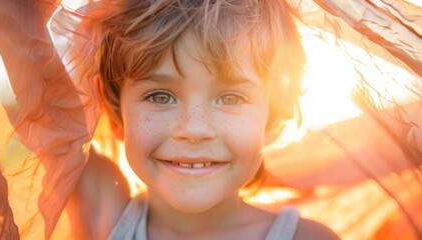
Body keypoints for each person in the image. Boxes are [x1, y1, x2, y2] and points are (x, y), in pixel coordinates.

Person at [65, 0, 340, 239]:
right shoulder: (103, 216)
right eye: (160, 97)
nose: (194, 130)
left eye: (231, 98)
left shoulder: (309, 237)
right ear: (115, 113)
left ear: (274, 117)